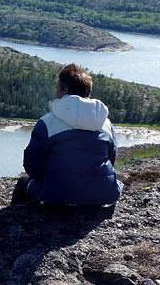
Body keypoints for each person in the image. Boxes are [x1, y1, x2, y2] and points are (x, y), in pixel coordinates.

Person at [13, 63, 123, 207]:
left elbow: (32, 162)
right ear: (87, 92)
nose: (55, 92)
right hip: (103, 196)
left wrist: (48, 180)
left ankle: (13, 222)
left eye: (57, 88)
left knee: (23, 182)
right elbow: (111, 157)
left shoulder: (47, 122)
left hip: (55, 195)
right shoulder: (106, 123)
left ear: (64, 90)